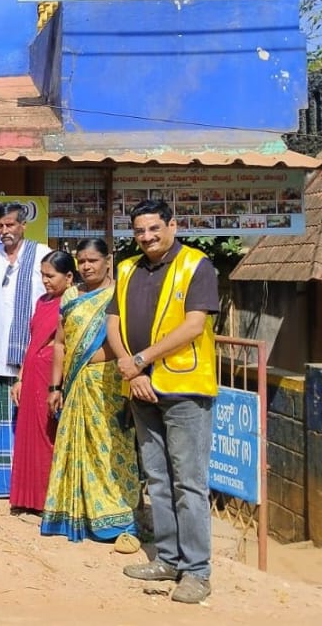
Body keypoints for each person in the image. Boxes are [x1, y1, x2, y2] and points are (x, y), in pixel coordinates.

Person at [106, 200, 219, 605]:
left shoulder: (196, 265)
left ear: (173, 225)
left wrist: (140, 360)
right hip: (140, 387)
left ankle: (196, 571)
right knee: (157, 477)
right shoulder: (126, 268)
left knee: (188, 482)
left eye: (154, 228)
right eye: (139, 230)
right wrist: (133, 371)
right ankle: (168, 559)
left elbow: (194, 325)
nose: (147, 237)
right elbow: (113, 322)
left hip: (184, 388)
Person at [40, 238, 139, 540]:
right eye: (81, 261)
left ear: (108, 261)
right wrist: (55, 386)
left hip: (108, 382)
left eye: (92, 260)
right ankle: (77, 515)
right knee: (75, 447)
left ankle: (117, 519)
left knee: (109, 448)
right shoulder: (71, 295)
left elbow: (128, 339)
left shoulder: (120, 293)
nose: (86, 266)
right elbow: (60, 344)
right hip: (75, 384)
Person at [0, 203, 52, 499]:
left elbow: (54, 299)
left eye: (10, 225)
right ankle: (5, 484)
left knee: (32, 424)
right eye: (0, 226)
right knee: (0, 420)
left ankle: (31, 486)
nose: (4, 230)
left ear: (23, 225)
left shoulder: (42, 254)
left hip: (33, 356)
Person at [9, 250, 75, 513]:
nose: (45, 280)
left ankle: (50, 499)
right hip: (32, 374)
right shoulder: (41, 301)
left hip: (52, 375)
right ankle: (28, 498)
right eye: (43, 275)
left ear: (68, 277)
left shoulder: (73, 302)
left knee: (49, 435)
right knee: (29, 436)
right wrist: (20, 378)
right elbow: (33, 340)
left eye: (51, 276)